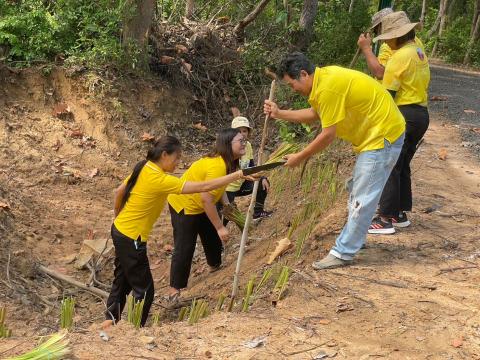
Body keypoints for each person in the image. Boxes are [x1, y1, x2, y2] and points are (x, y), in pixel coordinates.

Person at [263, 52, 405, 269]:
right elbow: (315, 113)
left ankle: (343, 252)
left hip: (382, 136)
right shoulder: (322, 82)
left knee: (362, 196)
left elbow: (327, 134)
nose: (294, 89)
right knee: (358, 189)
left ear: (303, 74)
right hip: (374, 136)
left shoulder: (328, 87)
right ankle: (354, 239)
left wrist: (300, 157)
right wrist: (280, 113)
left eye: (292, 85)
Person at [103, 135, 249, 328]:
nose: (178, 162)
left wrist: (118, 216)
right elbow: (204, 187)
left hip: (120, 230)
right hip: (132, 237)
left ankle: (110, 320)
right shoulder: (160, 179)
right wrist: (239, 175)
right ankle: (133, 329)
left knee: (123, 279)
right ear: (165, 155)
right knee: (145, 290)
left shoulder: (144, 166)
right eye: (177, 157)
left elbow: (120, 191)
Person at [368, 11, 430, 234]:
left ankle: (385, 218)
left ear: (397, 36)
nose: (385, 42)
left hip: (404, 113)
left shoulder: (399, 58)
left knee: (389, 163)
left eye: (386, 38)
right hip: (420, 114)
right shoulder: (418, 50)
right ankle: (399, 212)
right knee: (401, 164)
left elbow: (388, 97)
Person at [166, 128, 246, 298]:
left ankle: (215, 265)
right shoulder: (216, 165)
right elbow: (206, 199)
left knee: (211, 235)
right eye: (240, 141)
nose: (244, 143)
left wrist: (227, 205)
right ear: (227, 145)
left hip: (201, 203)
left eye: (244, 140)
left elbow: (219, 187)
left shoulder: (227, 163)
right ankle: (175, 289)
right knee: (185, 245)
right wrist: (219, 227)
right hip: (185, 204)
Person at [224, 116, 272, 220]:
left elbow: (251, 166)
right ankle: (217, 233)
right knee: (228, 215)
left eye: (244, 131)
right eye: (238, 131)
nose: (242, 134)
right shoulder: (227, 148)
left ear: (248, 132)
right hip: (227, 188)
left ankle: (258, 213)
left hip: (242, 184)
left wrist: (261, 177)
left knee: (262, 183)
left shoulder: (248, 145)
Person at [357, 7, 425, 80]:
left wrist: (366, 48)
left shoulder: (388, 45)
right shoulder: (416, 42)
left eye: (376, 31)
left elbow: (380, 73)